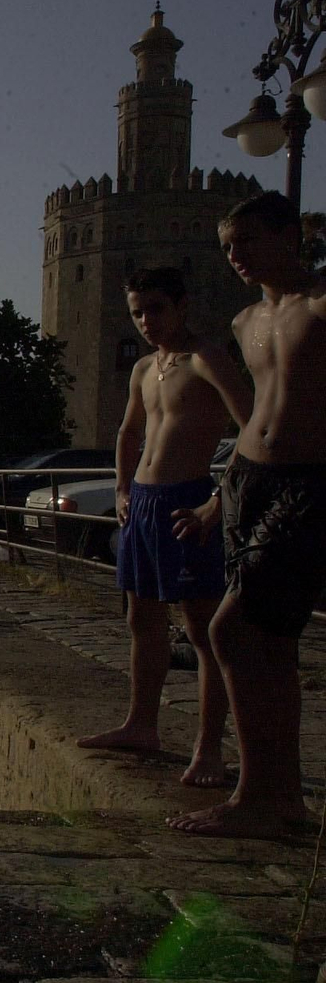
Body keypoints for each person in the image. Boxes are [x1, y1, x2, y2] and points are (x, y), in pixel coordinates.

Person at [168, 190, 326, 838]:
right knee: (272, 644)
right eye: (229, 246)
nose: (236, 256)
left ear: (291, 235)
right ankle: (282, 798)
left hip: (310, 482)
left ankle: (258, 795)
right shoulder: (245, 322)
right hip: (249, 481)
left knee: (232, 630)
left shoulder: (320, 306)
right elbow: (257, 415)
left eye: (250, 241)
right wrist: (215, 499)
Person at [75, 267, 250, 788]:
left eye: (155, 308)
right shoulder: (145, 368)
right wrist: (124, 488)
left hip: (187, 500)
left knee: (202, 631)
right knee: (141, 619)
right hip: (144, 504)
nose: (146, 320)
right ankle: (141, 725)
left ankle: (208, 750)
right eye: (137, 311)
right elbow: (130, 431)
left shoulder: (206, 359)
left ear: (181, 306)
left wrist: (215, 503)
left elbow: (254, 426)